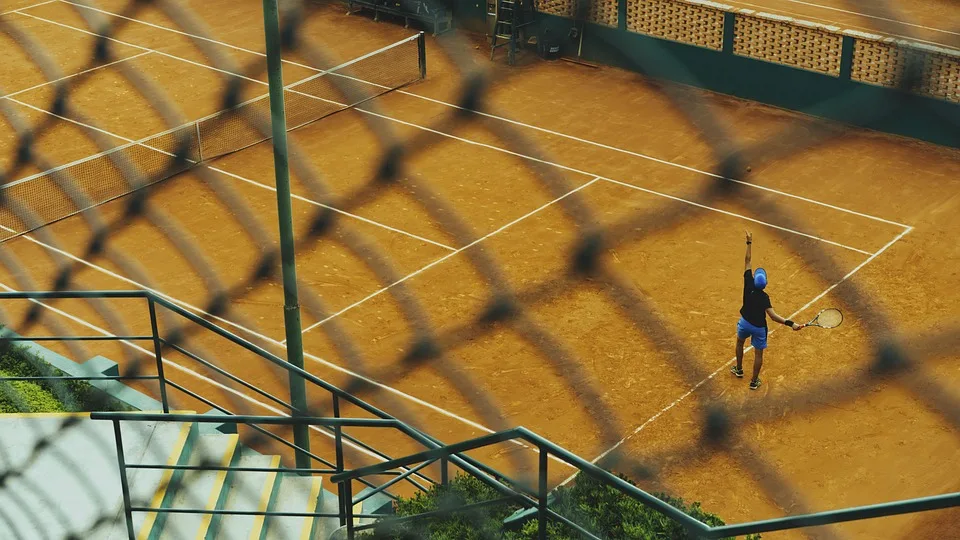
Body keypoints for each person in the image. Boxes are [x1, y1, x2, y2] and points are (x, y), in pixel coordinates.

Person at [731, 231, 803, 390]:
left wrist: (749, 242)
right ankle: (753, 381)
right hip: (758, 328)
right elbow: (773, 316)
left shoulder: (748, 283)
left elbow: (747, 260)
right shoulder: (764, 298)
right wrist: (791, 323)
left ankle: (739, 369)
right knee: (758, 354)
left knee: (739, 343)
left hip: (744, 323)